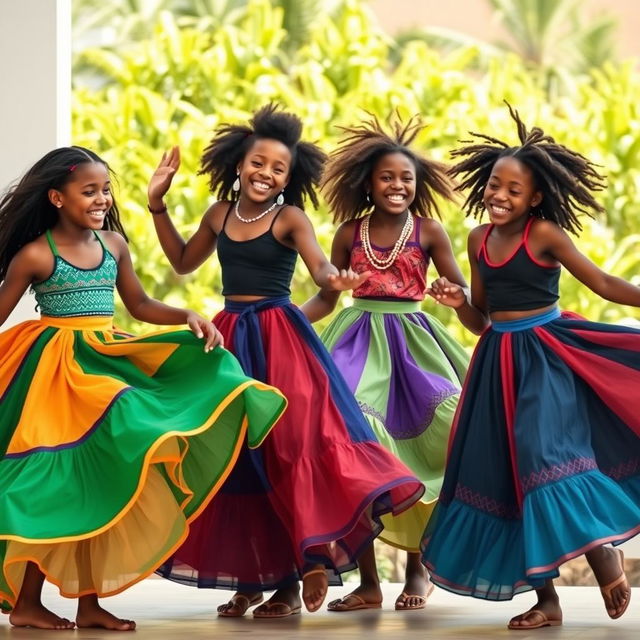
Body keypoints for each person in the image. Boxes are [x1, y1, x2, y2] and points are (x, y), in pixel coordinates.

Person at [148, 104, 424, 618]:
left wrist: (334, 282)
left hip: (280, 337)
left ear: (288, 179)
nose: (266, 174)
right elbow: (184, 263)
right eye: (258, 164)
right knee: (237, 457)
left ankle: (296, 577)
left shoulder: (290, 218)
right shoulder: (219, 214)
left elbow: (320, 267)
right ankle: (251, 580)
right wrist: (157, 206)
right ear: (239, 165)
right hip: (230, 337)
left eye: (278, 169)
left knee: (288, 449)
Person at [0, 146, 286, 630]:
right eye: (88, 191)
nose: (101, 199)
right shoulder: (35, 254)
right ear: (55, 197)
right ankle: (27, 601)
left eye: (105, 190)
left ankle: (89, 604)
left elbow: (139, 304)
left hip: (103, 362)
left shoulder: (112, 245)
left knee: (104, 478)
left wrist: (186, 315)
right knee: (54, 483)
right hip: (54, 374)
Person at [421, 104, 640, 629]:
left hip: (547, 356)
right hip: (496, 361)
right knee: (505, 472)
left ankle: (602, 553)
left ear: (535, 198)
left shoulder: (545, 235)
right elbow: (481, 320)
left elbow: (605, 284)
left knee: (546, 452)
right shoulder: (476, 240)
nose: (499, 195)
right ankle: (545, 599)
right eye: (495, 185)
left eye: (513, 190)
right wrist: (456, 303)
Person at [301, 115, 486, 612]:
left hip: (416, 345)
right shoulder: (347, 232)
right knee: (359, 442)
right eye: (387, 177)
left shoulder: (430, 231)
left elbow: (465, 301)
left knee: (439, 440)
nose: (397, 185)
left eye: (406, 178)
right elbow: (325, 297)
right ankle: (367, 581)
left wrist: (455, 296)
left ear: (418, 185)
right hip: (358, 340)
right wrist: (290, 322)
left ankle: (418, 572)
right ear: (368, 182)